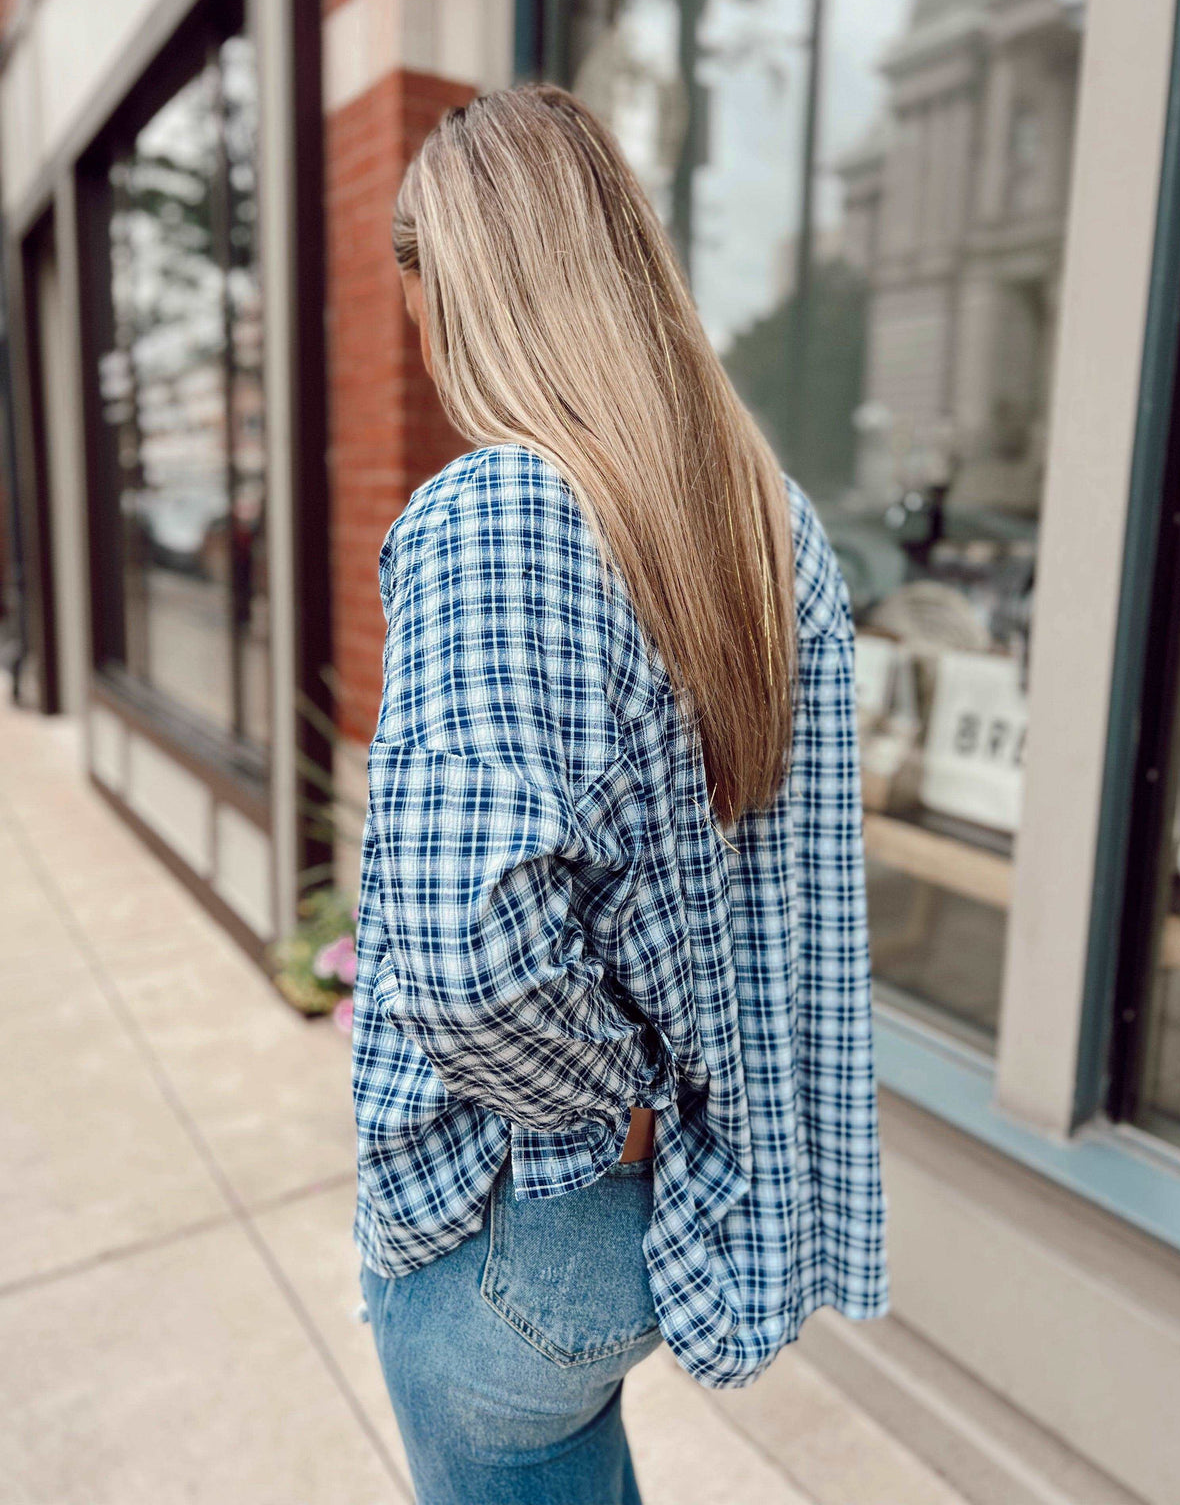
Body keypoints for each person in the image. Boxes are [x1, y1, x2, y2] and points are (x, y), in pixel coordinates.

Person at [351, 82, 888, 1505]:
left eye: (429, 314)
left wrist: (612, 1097)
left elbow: (467, 963)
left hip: (513, 1220)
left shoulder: (503, 516)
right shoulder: (765, 525)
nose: (433, 359)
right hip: (654, 1209)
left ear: (468, 291)